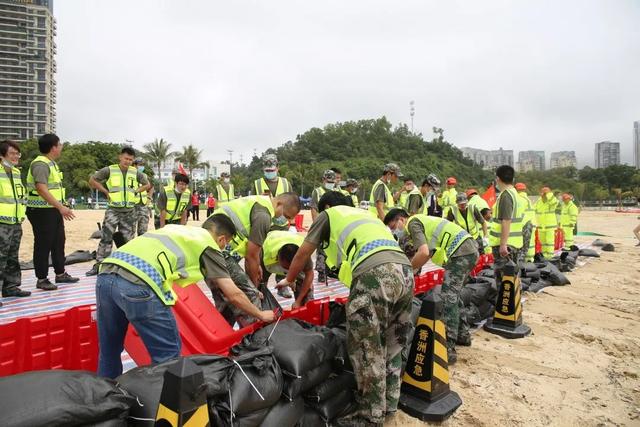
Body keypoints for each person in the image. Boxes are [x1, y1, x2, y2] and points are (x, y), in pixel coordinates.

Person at [279, 191, 413, 426]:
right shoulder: (365, 215)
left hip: (376, 273)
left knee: (366, 347)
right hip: (405, 273)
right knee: (392, 344)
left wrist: (289, 279)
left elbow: (303, 252)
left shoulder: (329, 214)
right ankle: (390, 404)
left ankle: (370, 417)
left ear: (327, 206)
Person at [95, 217, 277, 378]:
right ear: (222, 239)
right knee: (168, 356)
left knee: (109, 349)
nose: (223, 248)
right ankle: (165, 409)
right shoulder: (208, 244)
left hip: (106, 274)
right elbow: (233, 293)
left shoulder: (178, 230)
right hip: (139, 282)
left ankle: (105, 399)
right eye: (225, 244)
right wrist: (261, 315)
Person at [385, 208, 478, 363]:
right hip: (468, 249)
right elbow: (424, 254)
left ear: (401, 219)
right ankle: (463, 335)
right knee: (454, 296)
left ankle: (448, 349)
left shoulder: (413, 223)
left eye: (394, 225)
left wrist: (406, 271)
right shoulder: (422, 223)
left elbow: (423, 253)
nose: (395, 230)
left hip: (461, 252)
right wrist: (413, 271)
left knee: (448, 299)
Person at [209, 193, 301, 324]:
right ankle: (253, 340)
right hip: (217, 251)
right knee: (251, 296)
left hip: (214, 249)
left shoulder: (259, 202)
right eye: (285, 216)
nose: (284, 220)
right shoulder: (264, 216)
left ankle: (224, 336)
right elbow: (251, 257)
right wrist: (254, 287)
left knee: (229, 302)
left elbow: (251, 252)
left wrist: (256, 266)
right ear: (279, 204)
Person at [86, 147, 152, 276]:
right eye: (126, 158)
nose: (127, 161)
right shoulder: (109, 170)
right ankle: (100, 264)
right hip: (113, 210)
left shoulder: (135, 172)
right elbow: (92, 180)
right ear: (120, 157)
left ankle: (126, 266)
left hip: (129, 212)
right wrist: (105, 191)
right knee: (106, 237)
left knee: (128, 241)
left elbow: (147, 184)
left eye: (130, 159)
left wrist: (136, 191)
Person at [25, 133, 79, 290]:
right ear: (53, 147)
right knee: (43, 244)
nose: (61, 147)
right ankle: (41, 279)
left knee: (58, 242)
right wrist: (61, 207)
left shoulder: (51, 164)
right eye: (59, 144)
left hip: (52, 210)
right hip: (42, 211)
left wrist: (59, 207)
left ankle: (60, 274)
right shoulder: (41, 164)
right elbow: (41, 189)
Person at [0, 140, 30, 303]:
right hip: (1, 223)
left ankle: (10, 287)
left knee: (12, 256)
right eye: (12, 153)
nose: (16, 156)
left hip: (15, 222)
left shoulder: (17, 173)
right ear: (2, 156)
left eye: (17, 153)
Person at [489, 165, 525, 294]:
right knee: (512, 279)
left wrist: (503, 244)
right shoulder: (515, 194)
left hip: (505, 246)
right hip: (514, 243)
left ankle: (506, 312)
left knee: (504, 282)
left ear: (497, 179)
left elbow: (506, 220)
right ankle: (515, 310)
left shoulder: (506, 196)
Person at [262, 230, 314, 309]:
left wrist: (298, 301)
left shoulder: (304, 253)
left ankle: (305, 309)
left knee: (306, 286)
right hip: (269, 256)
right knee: (260, 287)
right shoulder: (266, 251)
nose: (289, 271)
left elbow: (309, 275)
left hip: (292, 246)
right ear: (278, 258)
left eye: (292, 269)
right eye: (287, 268)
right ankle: (262, 310)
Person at [310, 169, 339, 284]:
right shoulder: (317, 192)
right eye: (328, 181)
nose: (331, 183)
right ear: (323, 180)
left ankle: (332, 270)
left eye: (332, 181)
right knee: (322, 249)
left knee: (333, 248)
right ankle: (321, 272)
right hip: (322, 223)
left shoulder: (337, 191)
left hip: (335, 224)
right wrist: (317, 224)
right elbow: (313, 208)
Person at [534, 186, 558, 259]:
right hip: (541, 226)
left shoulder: (552, 201)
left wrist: (548, 193)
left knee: (549, 242)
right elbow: (533, 210)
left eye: (545, 193)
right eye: (542, 192)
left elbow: (554, 201)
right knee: (543, 242)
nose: (543, 194)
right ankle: (544, 256)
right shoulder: (538, 201)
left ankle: (550, 256)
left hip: (549, 226)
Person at [515, 183, 536, 262]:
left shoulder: (519, 199)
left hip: (525, 224)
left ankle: (525, 261)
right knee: (531, 243)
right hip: (531, 223)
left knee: (525, 243)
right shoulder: (527, 199)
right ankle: (530, 260)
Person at [133, 158, 153, 236]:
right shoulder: (129, 175)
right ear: (134, 165)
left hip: (143, 205)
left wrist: (149, 198)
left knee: (143, 231)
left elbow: (151, 187)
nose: (141, 167)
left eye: (142, 165)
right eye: (140, 165)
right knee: (130, 230)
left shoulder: (145, 176)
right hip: (132, 205)